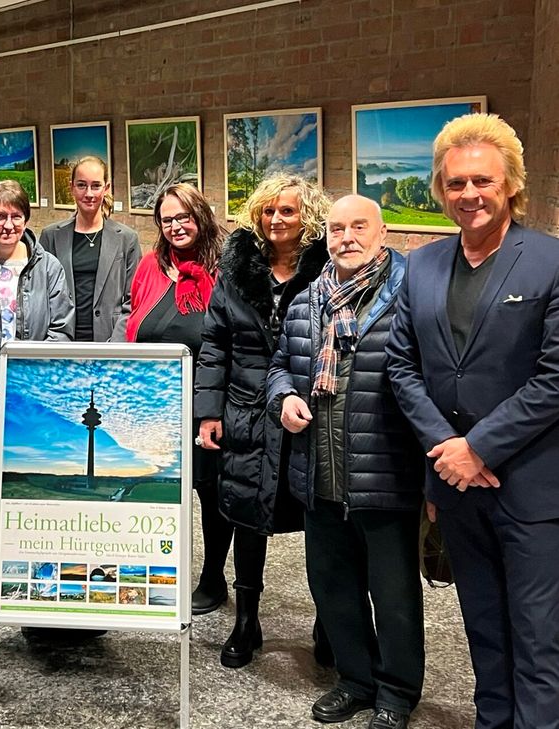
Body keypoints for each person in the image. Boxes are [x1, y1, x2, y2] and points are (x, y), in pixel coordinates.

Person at [387, 113, 559, 729]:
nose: (469, 195)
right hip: (456, 489)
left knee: (539, 642)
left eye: (482, 181)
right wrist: (447, 451)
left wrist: (479, 448)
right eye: (455, 184)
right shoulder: (422, 266)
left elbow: (554, 378)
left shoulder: (549, 261)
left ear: (510, 182)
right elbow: (402, 367)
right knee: (483, 630)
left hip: (531, 490)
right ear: (440, 189)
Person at [267, 195, 424, 729]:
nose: (347, 237)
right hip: (320, 478)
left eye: (359, 226)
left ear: (382, 233)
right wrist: (283, 396)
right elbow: (278, 367)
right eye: (337, 229)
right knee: (333, 588)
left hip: (386, 478)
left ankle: (397, 694)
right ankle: (355, 680)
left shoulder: (409, 297)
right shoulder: (307, 301)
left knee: (395, 596)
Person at [194, 175, 332, 667]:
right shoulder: (235, 272)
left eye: (288, 212)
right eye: (269, 211)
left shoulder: (327, 271)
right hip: (245, 412)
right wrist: (208, 413)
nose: (277, 220)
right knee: (247, 516)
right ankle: (246, 620)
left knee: (318, 521)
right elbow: (214, 346)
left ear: (307, 217)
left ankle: (329, 620)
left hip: (306, 414)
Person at [0, 180, 73, 615]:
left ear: (26, 218)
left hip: (26, 400)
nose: (8, 225)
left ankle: (25, 584)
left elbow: (61, 332)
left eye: (16, 216)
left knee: (26, 494)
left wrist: (21, 391)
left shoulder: (48, 268)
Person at [126, 182, 224, 611]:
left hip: (205, 403)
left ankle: (213, 577)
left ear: (200, 216)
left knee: (210, 492)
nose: (175, 226)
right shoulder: (150, 265)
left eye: (183, 217)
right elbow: (134, 317)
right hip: (154, 402)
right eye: (167, 220)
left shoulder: (223, 266)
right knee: (155, 491)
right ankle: (154, 570)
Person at [39, 156, 140, 342]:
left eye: (96, 185)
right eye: (81, 185)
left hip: (109, 343)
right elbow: (41, 293)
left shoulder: (126, 239)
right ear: (71, 188)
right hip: (61, 342)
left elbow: (133, 300)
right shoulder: (51, 236)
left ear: (106, 188)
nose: (89, 193)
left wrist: (115, 345)